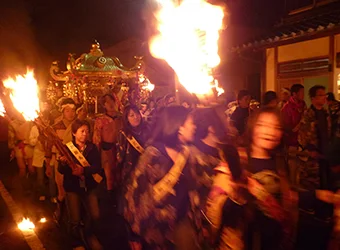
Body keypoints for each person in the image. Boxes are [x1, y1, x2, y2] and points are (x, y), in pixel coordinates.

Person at [124, 106, 200, 249]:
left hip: (182, 225)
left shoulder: (186, 153)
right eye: (191, 123)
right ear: (179, 127)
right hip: (156, 230)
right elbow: (135, 195)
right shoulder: (153, 155)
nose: (194, 126)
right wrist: (134, 235)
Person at [58, 119, 102, 250]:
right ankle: (76, 243)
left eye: (87, 131)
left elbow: (97, 167)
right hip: (73, 187)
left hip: (89, 186)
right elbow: (61, 170)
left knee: (95, 215)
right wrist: (63, 163)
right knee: (75, 219)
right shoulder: (67, 148)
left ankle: (87, 234)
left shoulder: (92, 148)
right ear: (74, 133)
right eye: (82, 131)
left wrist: (84, 170)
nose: (85, 134)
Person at [45, 97, 77, 224]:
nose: (71, 113)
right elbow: (48, 147)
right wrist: (48, 165)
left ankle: (75, 216)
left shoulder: (79, 125)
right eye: (67, 111)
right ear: (62, 112)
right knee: (62, 190)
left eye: (73, 110)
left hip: (77, 161)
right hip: (61, 162)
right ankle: (61, 212)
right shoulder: (55, 128)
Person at [93, 94, 122, 202]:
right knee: (109, 177)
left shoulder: (122, 118)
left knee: (119, 176)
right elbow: (96, 138)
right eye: (107, 102)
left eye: (112, 101)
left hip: (120, 150)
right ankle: (111, 201)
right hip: (106, 150)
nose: (110, 104)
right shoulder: (100, 120)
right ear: (104, 105)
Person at [281, 84, 306, 186]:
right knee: (292, 168)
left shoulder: (303, 104)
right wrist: (300, 123)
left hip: (303, 141)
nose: (303, 95)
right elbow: (286, 127)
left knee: (302, 170)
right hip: (291, 141)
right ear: (294, 94)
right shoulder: (287, 107)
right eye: (301, 93)